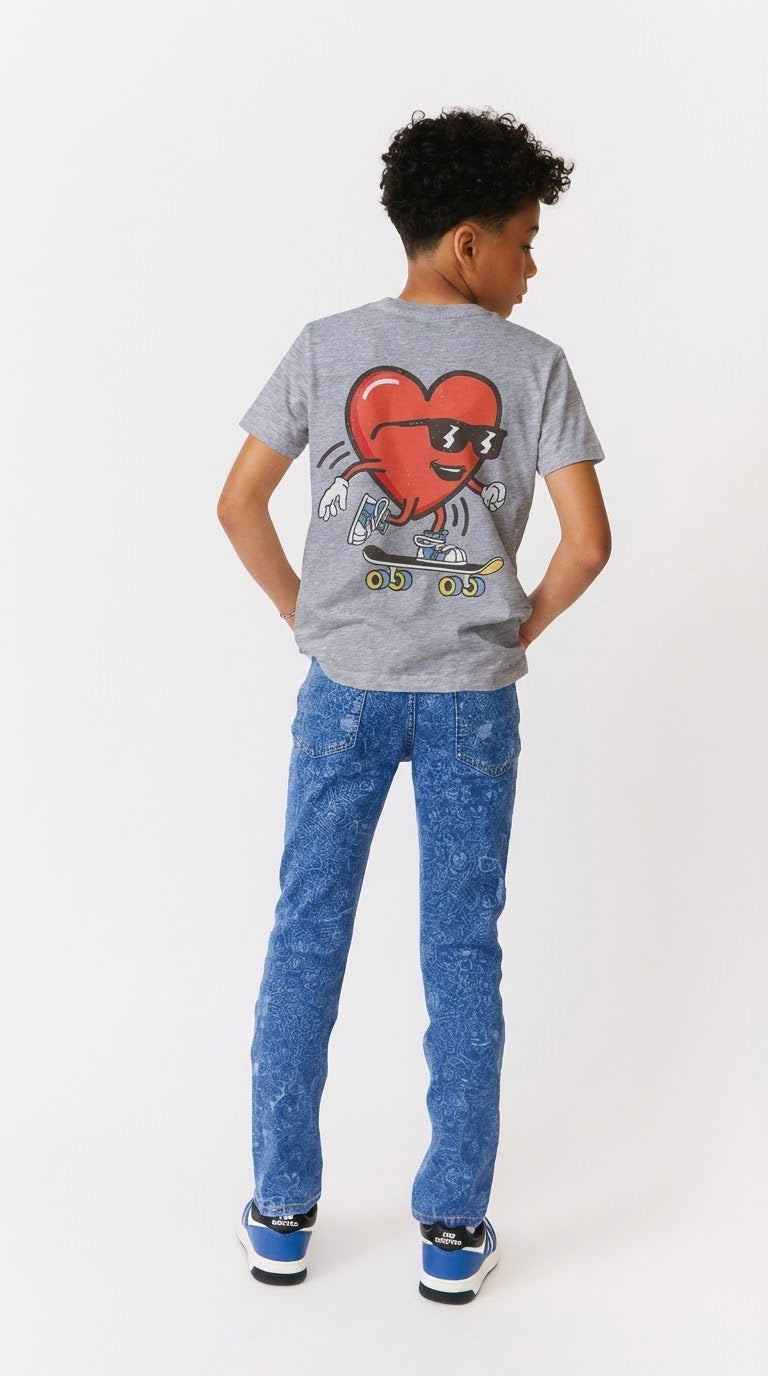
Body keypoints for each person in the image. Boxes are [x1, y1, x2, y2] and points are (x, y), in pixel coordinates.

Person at [217, 105, 611, 1304]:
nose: (535, 266)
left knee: (305, 936)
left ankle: (281, 1213)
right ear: (465, 244)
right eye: (526, 240)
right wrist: (508, 629)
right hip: (468, 709)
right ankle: (451, 1229)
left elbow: (237, 504)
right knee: (461, 951)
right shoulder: (535, 365)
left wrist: (312, 618)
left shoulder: (324, 344)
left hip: (341, 693)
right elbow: (588, 545)